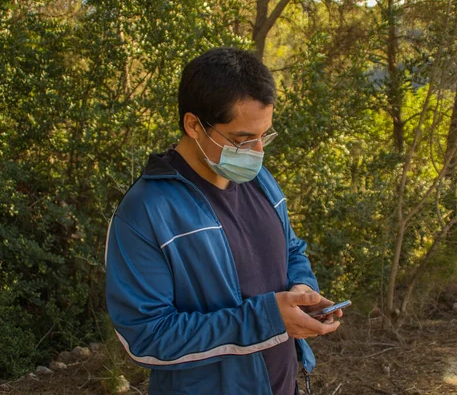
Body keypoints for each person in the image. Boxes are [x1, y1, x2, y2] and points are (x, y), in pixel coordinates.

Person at [105, 47, 342, 395]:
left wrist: (301, 288)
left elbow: (291, 249)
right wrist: (267, 319)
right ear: (193, 125)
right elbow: (146, 336)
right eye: (242, 140)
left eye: (265, 136)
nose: (258, 152)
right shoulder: (146, 212)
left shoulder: (260, 181)